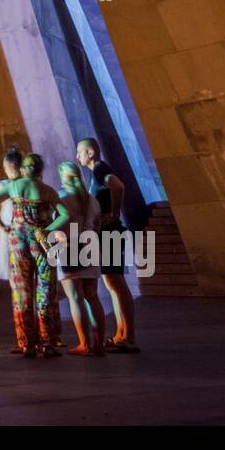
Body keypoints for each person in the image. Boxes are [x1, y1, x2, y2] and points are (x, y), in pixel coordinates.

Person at [0, 148, 68, 357]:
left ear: (23, 169)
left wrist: (3, 226)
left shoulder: (14, 187)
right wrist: (47, 229)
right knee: (46, 289)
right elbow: (65, 215)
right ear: (39, 170)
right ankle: (47, 341)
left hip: (18, 243)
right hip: (42, 243)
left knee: (21, 291)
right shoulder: (48, 191)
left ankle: (26, 343)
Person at [76, 137, 139, 352]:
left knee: (117, 284)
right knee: (113, 285)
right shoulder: (97, 172)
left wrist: (113, 212)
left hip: (109, 234)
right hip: (106, 234)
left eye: (80, 152)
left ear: (91, 153)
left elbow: (118, 185)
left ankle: (129, 336)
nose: (78, 157)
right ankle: (121, 334)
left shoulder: (100, 169)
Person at [54, 162, 105, 356]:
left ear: (62, 179)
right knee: (93, 296)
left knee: (75, 298)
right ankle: (99, 344)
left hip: (69, 249)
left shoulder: (61, 199)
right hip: (90, 247)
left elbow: (56, 227)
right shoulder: (92, 200)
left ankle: (84, 343)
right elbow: (98, 226)